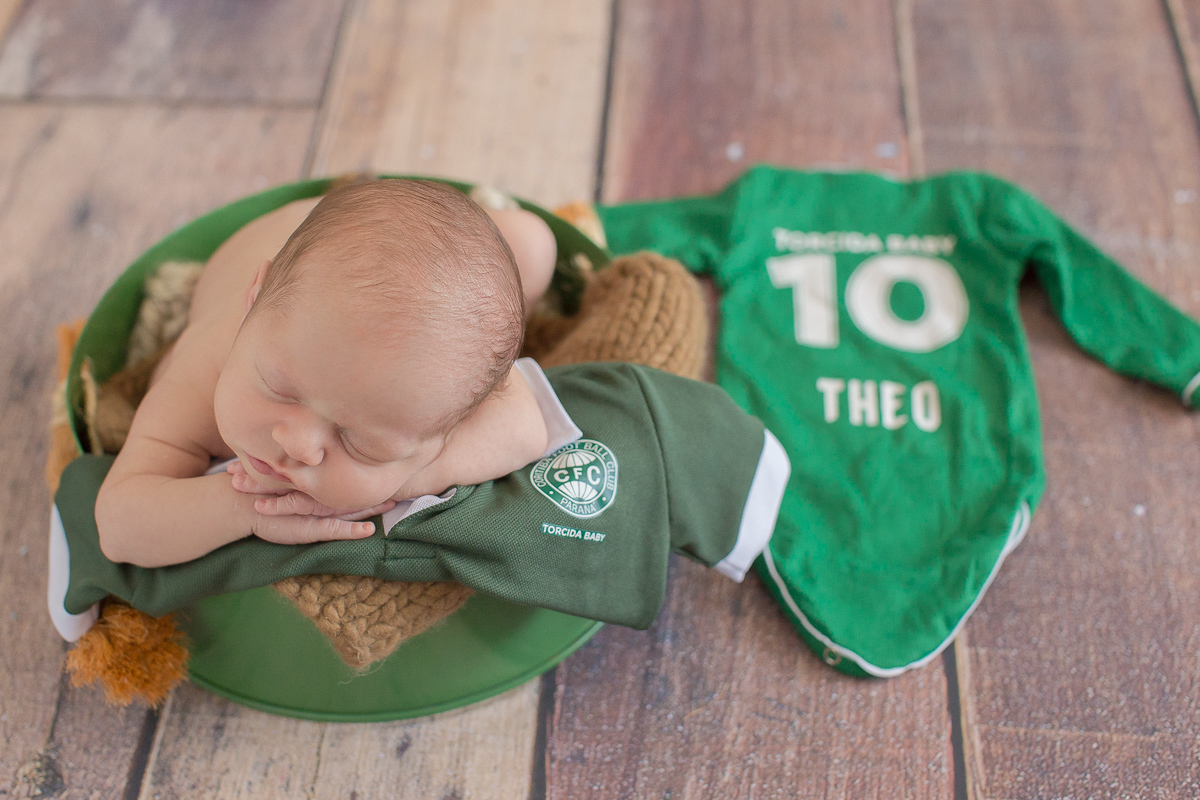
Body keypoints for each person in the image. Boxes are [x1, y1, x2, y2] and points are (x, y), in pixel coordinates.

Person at [95, 179, 558, 568]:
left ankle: (493, 347)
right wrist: (249, 511)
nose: (296, 445)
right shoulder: (204, 374)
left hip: (423, 283)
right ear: (253, 303)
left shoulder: (424, 393)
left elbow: (527, 428)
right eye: (281, 390)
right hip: (312, 246)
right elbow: (119, 524)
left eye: (361, 443)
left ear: (446, 432)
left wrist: (404, 477)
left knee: (532, 245)